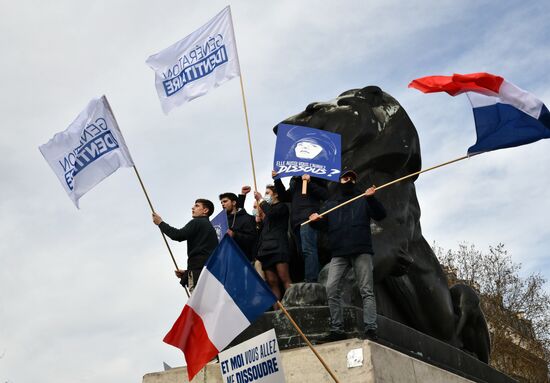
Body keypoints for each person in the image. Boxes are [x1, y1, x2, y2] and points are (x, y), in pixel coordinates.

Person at [309, 169, 386, 341]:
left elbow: (381, 215)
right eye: (345, 177)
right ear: (340, 181)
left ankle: (371, 329)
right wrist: (315, 221)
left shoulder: (364, 198)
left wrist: (372, 198)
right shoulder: (331, 203)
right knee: (331, 288)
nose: (349, 179)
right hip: (339, 253)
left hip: (361, 249)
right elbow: (323, 226)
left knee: (366, 290)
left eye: (352, 178)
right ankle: (337, 329)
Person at [152, 198, 218, 292]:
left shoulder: (197, 222)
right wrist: (187, 273)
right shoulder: (210, 228)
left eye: (197, 206)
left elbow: (178, 235)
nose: (193, 208)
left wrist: (160, 223)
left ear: (205, 210)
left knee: (198, 304)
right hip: (209, 273)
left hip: (198, 273)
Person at [273, 171, 328, 282]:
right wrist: (277, 179)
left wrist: (310, 182)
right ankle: (318, 277)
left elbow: (325, 195)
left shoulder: (316, 177)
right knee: (302, 253)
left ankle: (311, 280)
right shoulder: (295, 181)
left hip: (309, 218)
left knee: (308, 249)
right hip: (296, 222)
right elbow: (284, 196)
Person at [254, 185, 292, 303]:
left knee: (284, 277)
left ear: (275, 194)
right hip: (266, 250)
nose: (265, 196)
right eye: (264, 194)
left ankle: (293, 302)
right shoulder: (266, 213)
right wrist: (259, 223)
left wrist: (260, 200)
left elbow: (272, 213)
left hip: (279, 246)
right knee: (272, 282)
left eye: (267, 193)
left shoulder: (282, 207)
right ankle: (277, 310)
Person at [219, 191, 257, 262]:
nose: (223, 204)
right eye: (221, 203)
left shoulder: (247, 218)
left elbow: (252, 239)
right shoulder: (222, 221)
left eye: (225, 201)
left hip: (244, 259)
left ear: (234, 203)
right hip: (226, 260)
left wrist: (234, 235)